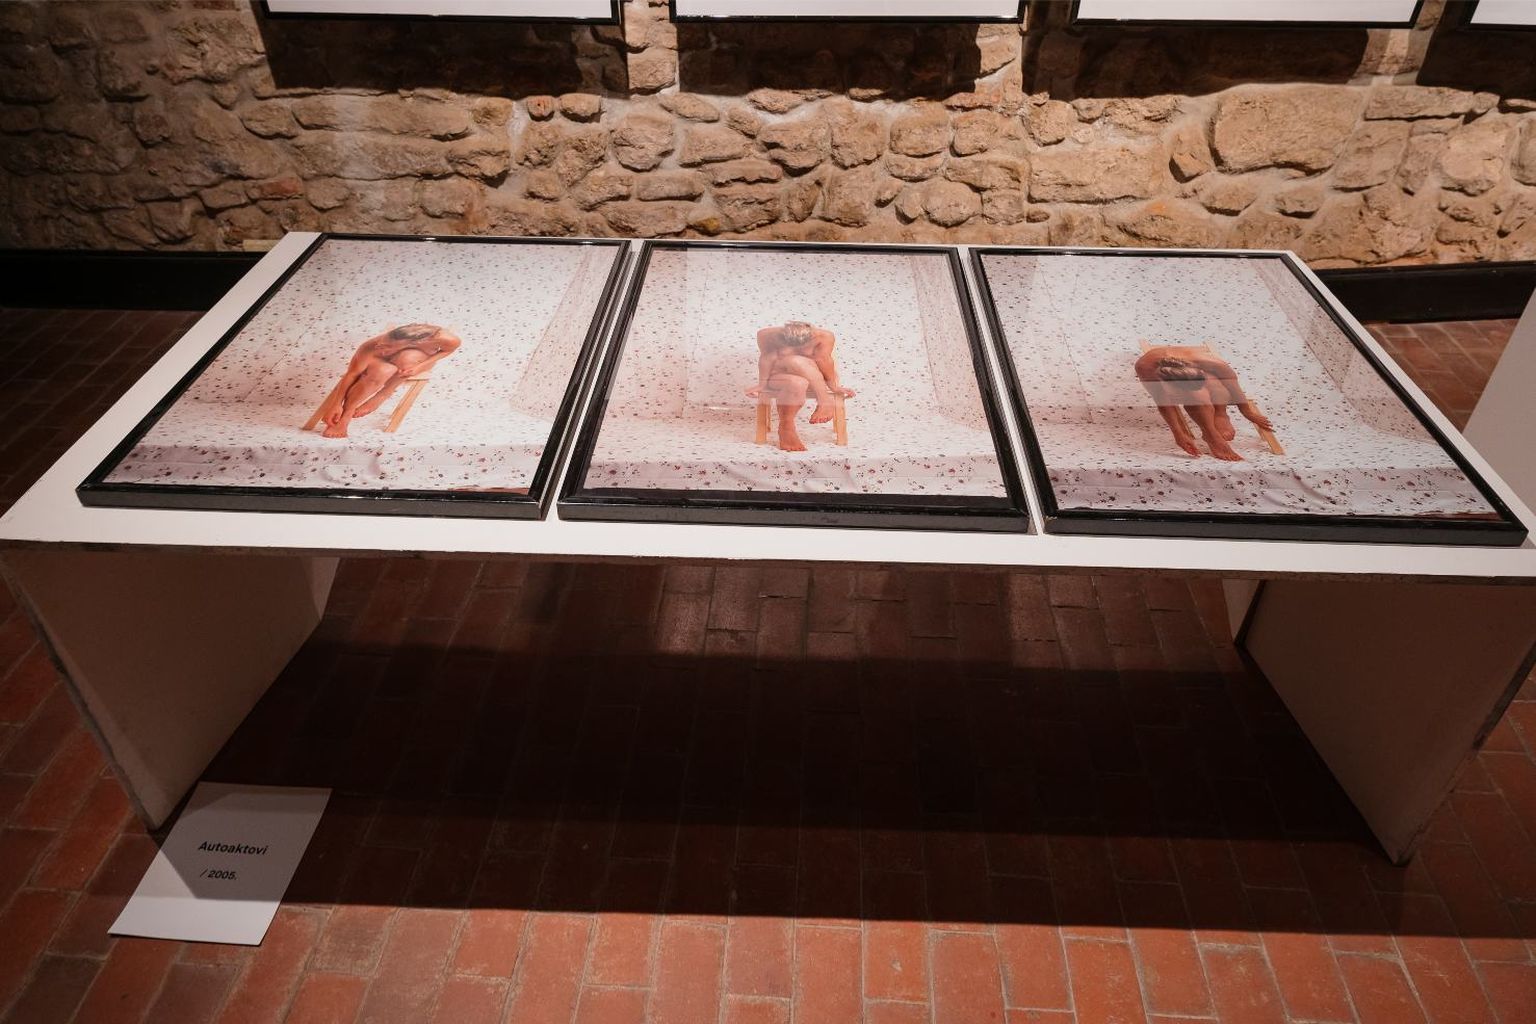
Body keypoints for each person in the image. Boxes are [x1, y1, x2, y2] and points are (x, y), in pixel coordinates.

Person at [318, 323, 461, 439]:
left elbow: (448, 350)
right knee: (382, 371)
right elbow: (352, 374)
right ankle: (346, 417)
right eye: (382, 344)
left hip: (416, 359)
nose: (380, 347)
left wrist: (420, 367)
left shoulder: (446, 338)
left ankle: (384, 394)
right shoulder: (372, 346)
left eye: (387, 347)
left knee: (406, 360)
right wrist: (336, 405)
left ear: (413, 343)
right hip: (381, 363)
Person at [1134, 345, 1273, 462]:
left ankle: (1220, 414)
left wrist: (1247, 412)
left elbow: (1234, 387)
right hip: (1166, 373)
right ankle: (1211, 435)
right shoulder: (1145, 368)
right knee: (1196, 396)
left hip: (1200, 372)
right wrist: (1178, 433)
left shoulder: (1213, 364)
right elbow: (1162, 402)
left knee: (1213, 389)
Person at [744, 320, 855, 452]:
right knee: (797, 381)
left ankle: (821, 403)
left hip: (817, 378)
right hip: (779, 376)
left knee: (795, 362)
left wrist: (833, 386)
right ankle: (788, 426)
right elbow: (766, 358)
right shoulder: (767, 335)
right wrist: (762, 384)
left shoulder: (824, 337)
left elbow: (824, 360)